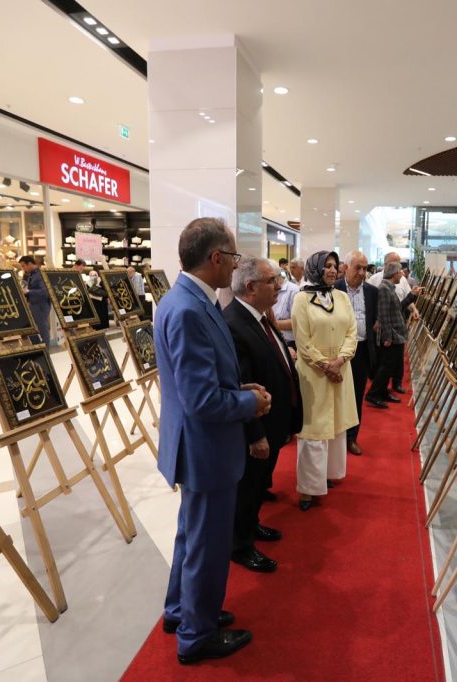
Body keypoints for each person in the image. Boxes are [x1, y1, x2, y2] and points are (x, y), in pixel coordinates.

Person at [154, 217, 271, 665]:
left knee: (192, 537)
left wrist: (239, 391)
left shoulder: (187, 300)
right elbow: (202, 399)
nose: (237, 266)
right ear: (216, 258)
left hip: (198, 445)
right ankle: (196, 635)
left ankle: (182, 611)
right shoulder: (188, 309)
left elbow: (202, 381)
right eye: (234, 257)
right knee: (206, 545)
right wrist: (250, 402)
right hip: (206, 449)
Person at [223, 257, 302, 573]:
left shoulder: (259, 317)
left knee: (258, 486)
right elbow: (242, 385)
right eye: (272, 280)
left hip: (274, 419)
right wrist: (255, 434)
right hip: (259, 426)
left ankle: (251, 525)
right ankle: (239, 546)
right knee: (248, 487)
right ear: (251, 287)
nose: (279, 286)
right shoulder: (235, 324)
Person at [292, 251, 358, 511]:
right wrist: (325, 365)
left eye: (334, 265)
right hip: (314, 375)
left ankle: (327, 475)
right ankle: (308, 490)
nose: (332, 270)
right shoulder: (301, 299)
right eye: (326, 266)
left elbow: (352, 332)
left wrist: (340, 360)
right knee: (314, 431)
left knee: (335, 427)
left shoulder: (341, 297)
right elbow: (303, 340)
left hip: (340, 373)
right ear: (315, 268)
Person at [335, 250, 378, 455]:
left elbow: (374, 319)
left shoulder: (372, 292)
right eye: (357, 268)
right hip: (337, 352)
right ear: (345, 268)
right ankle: (336, 435)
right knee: (337, 395)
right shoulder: (334, 289)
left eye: (365, 268)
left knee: (356, 395)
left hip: (361, 351)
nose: (362, 272)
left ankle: (352, 437)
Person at [367, 251, 420, 392]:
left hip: (397, 323)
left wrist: (413, 306)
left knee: (396, 359)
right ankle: (378, 389)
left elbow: (399, 305)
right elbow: (378, 308)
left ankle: (395, 384)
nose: (401, 272)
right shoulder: (376, 280)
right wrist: (379, 325)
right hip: (384, 326)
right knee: (385, 360)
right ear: (387, 265)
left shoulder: (399, 281)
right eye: (395, 265)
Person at [366, 262, 407, 409]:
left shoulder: (389, 288)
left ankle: (382, 392)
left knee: (389, 366)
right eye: (400, 272)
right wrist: (388, 337)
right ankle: (373, 394)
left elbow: (394, 310)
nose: (401, 275)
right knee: (386, 366)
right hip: (391, 336)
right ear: (394, 273)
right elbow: (383, 315)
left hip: (395, 334)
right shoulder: (384, 288)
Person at [18, 255, 51, 346]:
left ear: (29, 264)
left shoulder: (40, 274)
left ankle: (45, 350)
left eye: (23, 266)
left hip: (41, 304)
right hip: (33, 304)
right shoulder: (30, 274)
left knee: (42, 327)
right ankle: (37, 346)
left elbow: (45, 291)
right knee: (29, 326)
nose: (23, 268)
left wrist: (28, 291)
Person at [273, 268, 301, 348]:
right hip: (275, 339)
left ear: (276, 278)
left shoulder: (294, 290)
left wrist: (271, 323)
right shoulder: (270, 290)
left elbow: (297, 322)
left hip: (290, 342)